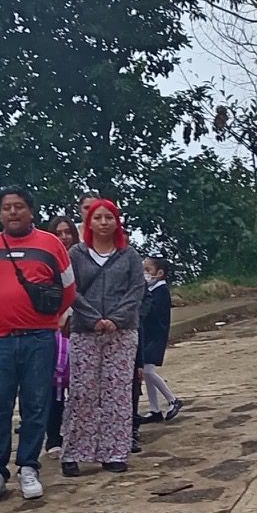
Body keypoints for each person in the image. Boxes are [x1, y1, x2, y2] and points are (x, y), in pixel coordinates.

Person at [0, 186, 73, 504]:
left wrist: (45, 318)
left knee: (36, 405)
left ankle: (29, 466)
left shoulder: (50, 243)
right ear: (0, 213)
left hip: (40, 339)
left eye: (18, 206)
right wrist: (4, 314)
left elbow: (68, 289)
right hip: (1, 340)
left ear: (31, 211)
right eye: (6, 207)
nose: (12, 212)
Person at [59, 199, 146, 477]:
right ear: (89, 223)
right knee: (82, 391)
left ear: (117, 222)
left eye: (110, 217)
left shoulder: (129, 254)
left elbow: (136, 290)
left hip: (122, 332)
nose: (104, 222)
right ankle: (73, 452)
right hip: (86, 331)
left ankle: (115, 452)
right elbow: (70, 289)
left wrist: (116, 319)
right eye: (99, 218)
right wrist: (94, 318)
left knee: (118, 392)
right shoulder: (76, 253)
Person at [136, 255, 181, 423]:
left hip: (156, 337)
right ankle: (155, 410)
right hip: (148, 337)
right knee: (147, 373)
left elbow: (152, 313)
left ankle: (172, 399)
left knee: (147, 371)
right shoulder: (153, 290)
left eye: (148, 270)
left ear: (160, 273)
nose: (144, 274)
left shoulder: (161, 291)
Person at [47, 216, 77, 452]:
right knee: (54, 385)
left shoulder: (81, 258)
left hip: (80, 326)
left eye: (68, 232)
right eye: (59, 232)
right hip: (54, 329)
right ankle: (53, 436)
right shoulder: (47, 261)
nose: (64, 237)